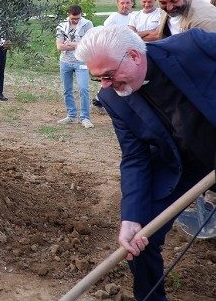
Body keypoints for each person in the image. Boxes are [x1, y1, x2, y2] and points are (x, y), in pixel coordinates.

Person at [75, 25, 216, 301]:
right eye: (98, 78)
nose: (105, 85)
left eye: (109, 75)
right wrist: (131, 216)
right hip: (180, 167)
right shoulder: (112, 97)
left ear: (134, 56)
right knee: (140, 238)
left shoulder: (193, 47)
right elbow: (134, 156)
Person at [56, 5, 94, 129]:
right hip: (65, 61)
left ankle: (85, 117)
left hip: (81, 61)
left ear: (81, 15)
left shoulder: (88, 24)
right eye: (73, 18)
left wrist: (71, 43)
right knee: (67, 90)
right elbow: (59, 46)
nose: (75, 21)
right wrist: (78, 44)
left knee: (83, 88)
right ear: (68, 15)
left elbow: (88, 44)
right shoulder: (62, 25)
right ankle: (71, 115)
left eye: (77, 18)